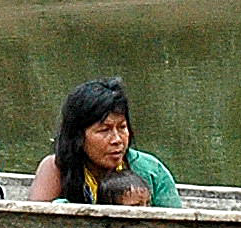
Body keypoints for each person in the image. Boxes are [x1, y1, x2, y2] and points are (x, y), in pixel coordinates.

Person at [29, 77, 183, 207]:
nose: (117, 139)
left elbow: (176, 227)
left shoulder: (150, 170)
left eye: (122, 127)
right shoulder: (57, 168)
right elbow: (36, 225)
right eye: (104, 130)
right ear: (78, 135)